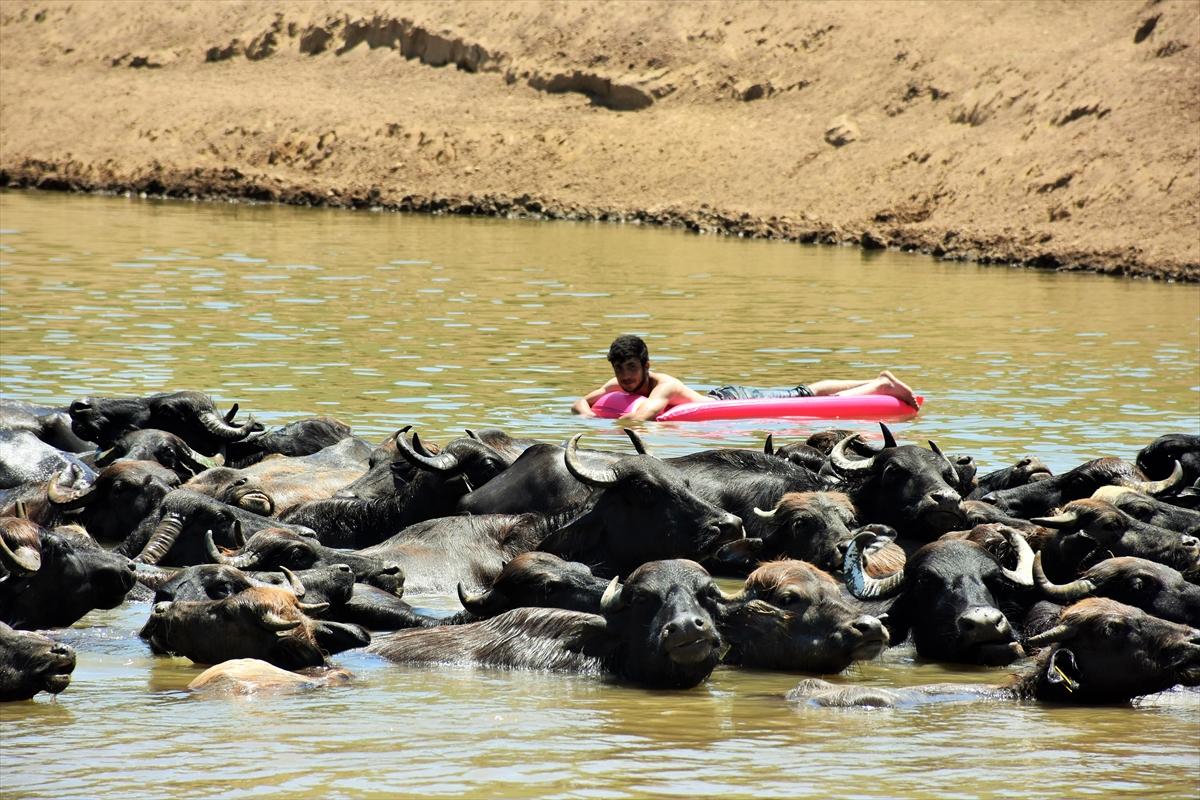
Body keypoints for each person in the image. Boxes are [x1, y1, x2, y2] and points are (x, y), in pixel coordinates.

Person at [571, 334, 918, 422]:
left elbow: (640, 417)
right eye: (619, 369)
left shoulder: (665, 385)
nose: (625, 377)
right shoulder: (620, 383)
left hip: (732, 401)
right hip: (721, 392)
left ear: (646, 365)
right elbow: (579, 402)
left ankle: (880, 386)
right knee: (801, 390)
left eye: (631, 368)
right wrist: (588, 415)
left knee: (802, 397)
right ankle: (874, 380)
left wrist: (609, 422)